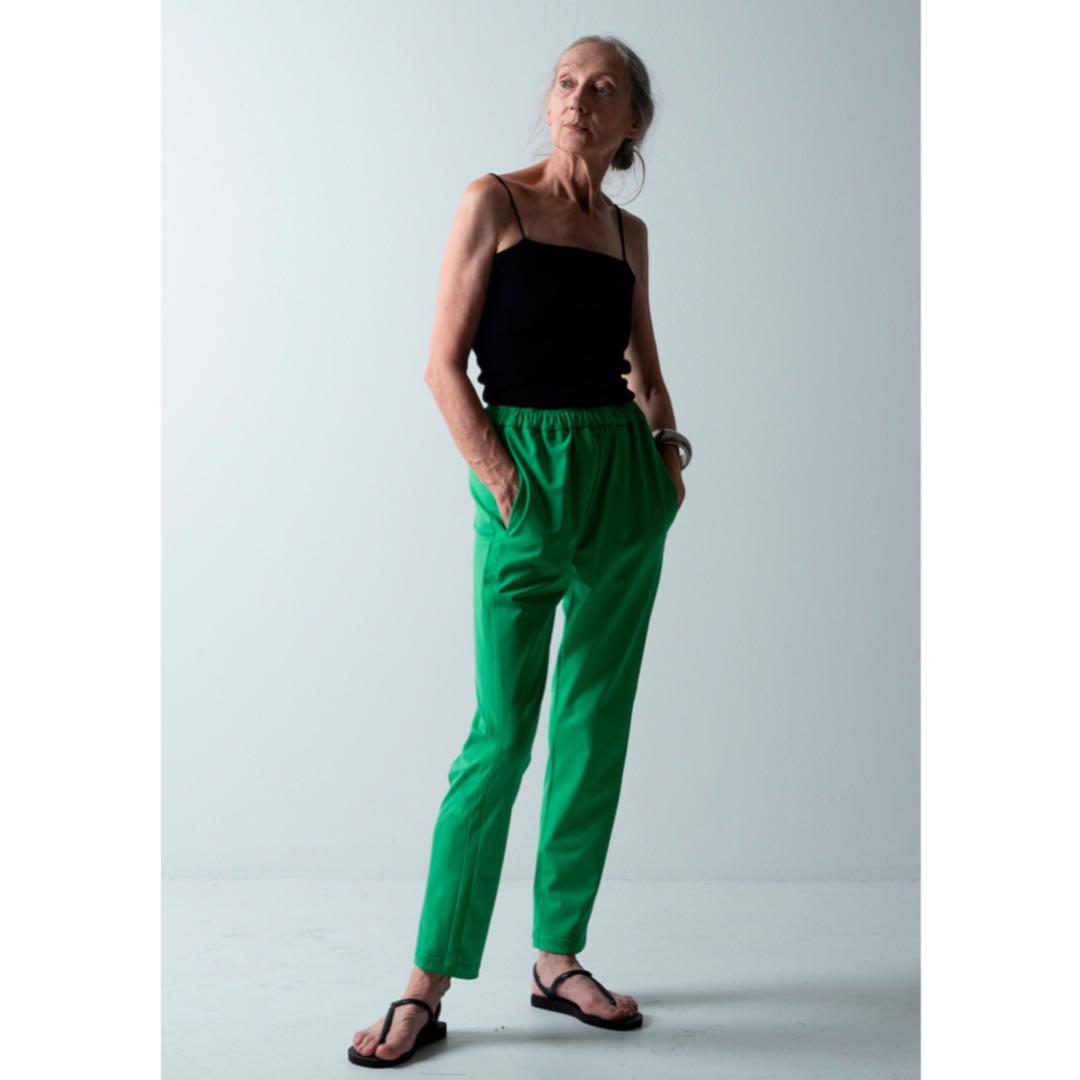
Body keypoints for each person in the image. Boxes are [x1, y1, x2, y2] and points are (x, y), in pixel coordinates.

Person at [349, 34, 691, 1068]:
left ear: (632, 124)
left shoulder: (628, 233)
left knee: (593, 726)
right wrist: (501, 478)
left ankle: (556, 957)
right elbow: (442, 367)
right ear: (549, 103)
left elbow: (646, 370)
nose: (578, 98)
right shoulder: (493, 201)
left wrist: (666, 459)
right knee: (499, 738)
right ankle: (425, 984)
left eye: (603, 88)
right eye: (566, 82)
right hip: (525, 477)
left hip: (622, 485)